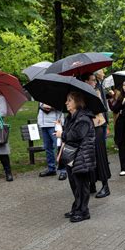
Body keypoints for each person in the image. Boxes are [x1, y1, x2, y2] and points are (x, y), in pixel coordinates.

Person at [55, 91, 96, 223]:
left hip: (82, 155)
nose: (66, 103)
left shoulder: (84, 118)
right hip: (71, 155)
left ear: (77, 102)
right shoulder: (70, 117)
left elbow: (76, 135)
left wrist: (62, 133)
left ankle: (84, 211)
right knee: (74, 183)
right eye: (67, 100)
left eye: (69, 100)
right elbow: (68, 136)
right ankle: (77, 207)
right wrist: (60, 128)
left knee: (82, 184)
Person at [82, 73, 112, 198]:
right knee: (89, 156)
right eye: (92, 80)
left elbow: (100, 109)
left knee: (100, 156)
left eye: (95, 80)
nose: (95, 82)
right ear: (85, 81)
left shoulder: (96, 92)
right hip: (87, 128)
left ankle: (105, 186)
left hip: (97, 127)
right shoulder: (82, 93)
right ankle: (92, 183)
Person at [37, 103, 67, 180]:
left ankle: (63, 171)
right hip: (43, 125)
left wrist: (48, 106)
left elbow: (61, 106)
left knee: (60, 147)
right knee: (48, 148)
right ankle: (51, 169)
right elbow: (40, 107)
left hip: (55, 124)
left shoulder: (56, 93)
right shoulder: (42, 93)